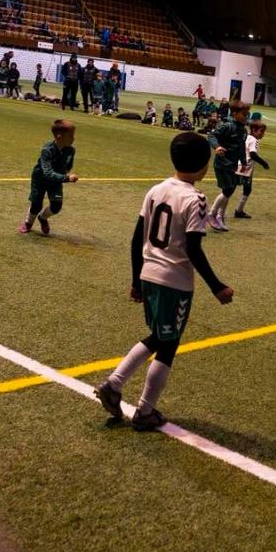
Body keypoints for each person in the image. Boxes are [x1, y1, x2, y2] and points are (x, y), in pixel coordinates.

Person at [92, 131, 233, 431]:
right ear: (204, 166)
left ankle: (114, 385)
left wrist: (136, 280)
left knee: (158, 337)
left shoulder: (156, 190)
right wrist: (217, 286)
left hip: (149, 275)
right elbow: (193, 248)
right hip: (174, 281)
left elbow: (136, 239)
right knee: (168, 345)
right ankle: (144, 410)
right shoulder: (195, 199)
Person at [18, 120, 78, 236]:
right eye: (70, 135)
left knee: (56, 206)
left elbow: (68, 164)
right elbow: (48, 173)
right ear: (59, 136)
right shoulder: (47, 150)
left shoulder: (71, 150)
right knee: (36, 205)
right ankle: (28, 223)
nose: (73, 138)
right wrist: (67, 178)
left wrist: (66, 172)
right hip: (40, 179)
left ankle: (43, 217)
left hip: (56, 180)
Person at [207, 101, 250, 231]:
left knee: (229, 190)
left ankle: (220, 217)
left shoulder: (243, 130)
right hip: (222, 164)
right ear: (235, 114)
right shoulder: (227, 126)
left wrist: (243, 162)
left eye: (247, 114)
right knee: (228, 190)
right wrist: (217, 146)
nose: (246, 117)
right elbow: (211, 135)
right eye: (244, 114)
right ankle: (211, 214)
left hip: (233, 165)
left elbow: (241, 147)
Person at [233, 120, 270, 220]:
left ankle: (238, 211)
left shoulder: (247, 137)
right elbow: (253, 154)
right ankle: (236, 211)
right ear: (254, 130)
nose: (263, 134)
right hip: (244, 169)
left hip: (240, 166)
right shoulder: (254, 140)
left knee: (236, 189)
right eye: (261, 131)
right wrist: (264, 163)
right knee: (241, 190)